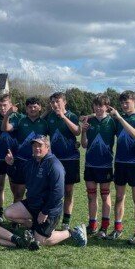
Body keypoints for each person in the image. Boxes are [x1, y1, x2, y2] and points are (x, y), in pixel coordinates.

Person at [4, 136, 87, 249]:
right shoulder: (31, 162)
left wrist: (45, 211)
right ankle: (36, 227)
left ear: (47, 147)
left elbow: (58, 193)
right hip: (33, 204)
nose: (36, 148)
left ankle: (71, 233)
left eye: (40, 145)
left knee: (41, 241)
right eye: (34, 145)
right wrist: (10, 165)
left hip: (49, 209)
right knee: (8, 213)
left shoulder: (54, 165)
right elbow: (18, 177)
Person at [108, 91, 135, 244]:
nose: (124, 105)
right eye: (122, 103)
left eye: (127, 102)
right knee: (119, 197)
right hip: (120, 163)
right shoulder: (119, 118)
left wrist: (119, 117)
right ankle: (118, 228)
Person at [80, 94, 116, 236]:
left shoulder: (113, 122)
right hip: (90, 164)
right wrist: (83, 131)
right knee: (91, 196)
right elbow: (84, 145)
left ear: (107, 107)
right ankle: (92, 225)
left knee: (105, 196)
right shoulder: (89, 121)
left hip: (106, 165)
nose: (98, 108)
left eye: (101, 105)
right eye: (96, 105)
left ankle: (104, 227)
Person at [1, 97, 49, 203]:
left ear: (40, 107)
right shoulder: (20, 121)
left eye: (35, 107)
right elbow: (5, 128)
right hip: (21, 162)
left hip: (38, 162)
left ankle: (35, 217)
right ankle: (16, 218)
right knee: (19, 193)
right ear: (26, 109)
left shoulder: (45, 123)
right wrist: (8, 114)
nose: (32, 109)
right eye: (30, 107)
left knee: (37, 193)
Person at [45, 92, 81, 230]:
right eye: (52, 102)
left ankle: (66, 221)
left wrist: (63, 117)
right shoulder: (50, 117)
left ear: (64, 102)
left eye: (57, 101)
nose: (55, 104)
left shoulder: (72, 115)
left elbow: (77, 132)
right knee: (52, 190)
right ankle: (50, 218)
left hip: (71, 159)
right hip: (55, 160)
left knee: (68, 190)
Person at [0, 94, 22, 222]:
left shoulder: (19, 118)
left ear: (11, 105)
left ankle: (15, 214)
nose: (3, 108)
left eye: (5, 105)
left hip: (15, 158)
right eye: (0, 105)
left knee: (15, 188)